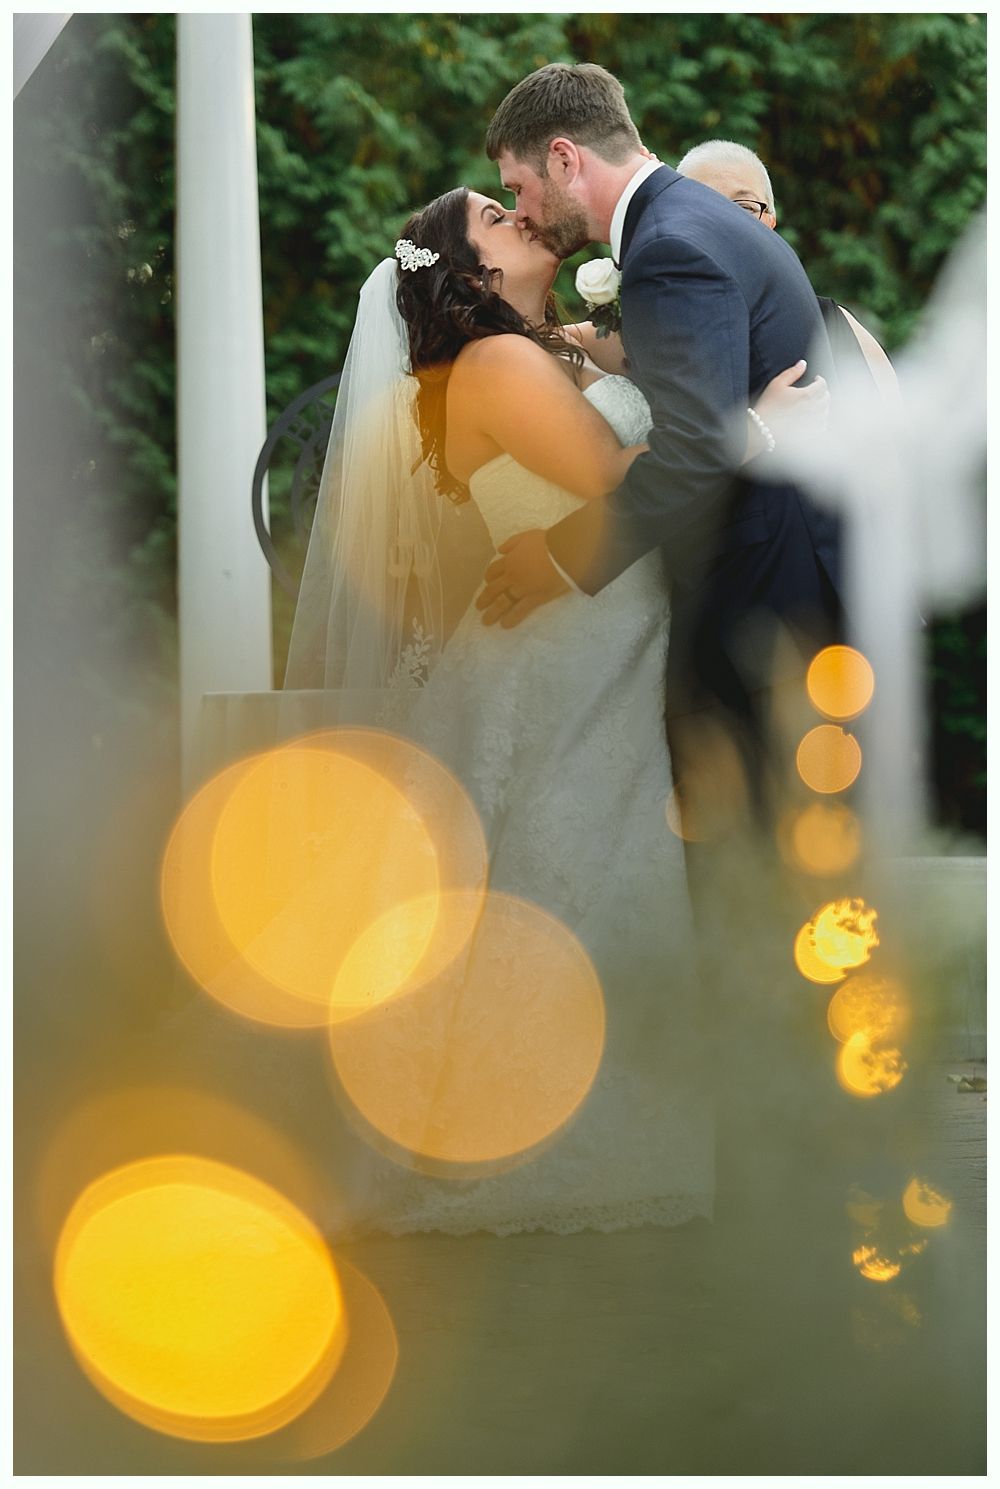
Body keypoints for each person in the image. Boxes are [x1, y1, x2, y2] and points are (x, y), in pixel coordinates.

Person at [284, 183, 823, 1239]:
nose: (519, 217)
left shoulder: (552, 349)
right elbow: (613, 469)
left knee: (592, 867)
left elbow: (668, 389)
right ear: (470, 275)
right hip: (558, 649)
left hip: (606, 635)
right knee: (551, 878)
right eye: (493, 216)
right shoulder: (493, 365)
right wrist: (757, 427)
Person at [675, 138, 899, 404]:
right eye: (704, 206)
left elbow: (893, 438)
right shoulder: (648, 325)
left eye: (744, 208)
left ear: (769, 222)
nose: (726, 223)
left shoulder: (832, 325)